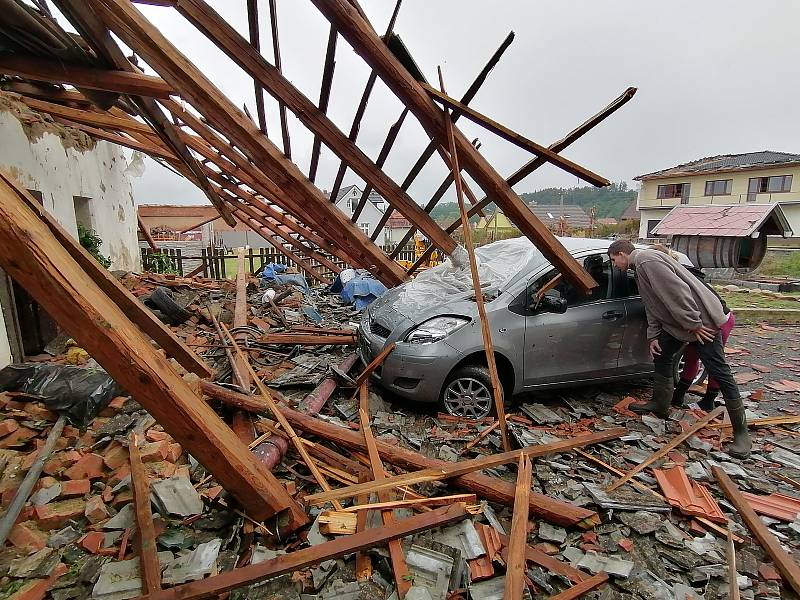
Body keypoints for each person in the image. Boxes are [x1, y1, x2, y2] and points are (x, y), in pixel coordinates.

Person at [607, 240, 751, 459]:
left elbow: (676, 292)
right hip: (677, 325)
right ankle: (660, 404)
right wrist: (654, 335)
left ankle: (742, 436)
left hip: (701, 325)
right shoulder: (640, 267)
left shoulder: (647, 260)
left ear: (621, 254)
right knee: (662, 356)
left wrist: (693, 323)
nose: (614, 265)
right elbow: (652, 304)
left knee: (720, 372)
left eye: (613, 260)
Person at [649, 245, 736, 411]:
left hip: (717, 321)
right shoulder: (671, 273)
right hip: (697, 323)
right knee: (691, 356)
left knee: (714, 363)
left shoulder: (679, 275)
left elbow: (684, 302)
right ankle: (678, 397)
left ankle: (709, 401)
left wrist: (693, 324)